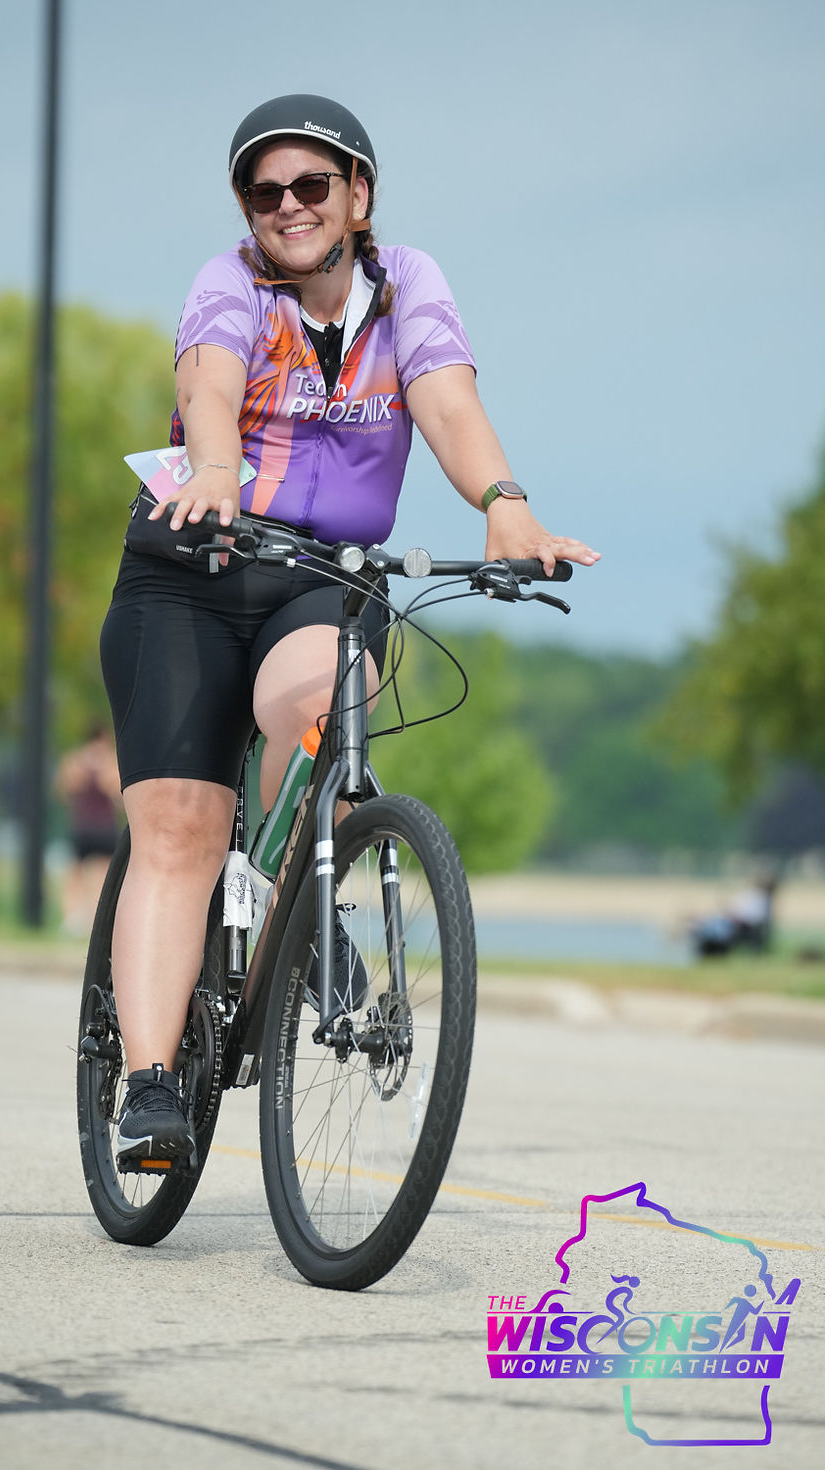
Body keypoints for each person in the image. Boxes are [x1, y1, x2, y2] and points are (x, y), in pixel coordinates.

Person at [99, 94, 600, 1163]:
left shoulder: (406, 285)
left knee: (327, 702)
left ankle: (307, 888)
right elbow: (209, 381)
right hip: (192, 568)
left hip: (320, 575)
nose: (288, 205)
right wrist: (219, 470)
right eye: (264, 191)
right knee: (181, 829)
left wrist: (503, 504)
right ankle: (148, 1086)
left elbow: (446, 403)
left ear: (357, 196)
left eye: (312, 185)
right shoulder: (229, 284)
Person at [54, 724, 123, 935]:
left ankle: (93, 919)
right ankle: (74, 919)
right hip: (88, 825)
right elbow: (65, 789)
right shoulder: (80, 760)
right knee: (78, 873)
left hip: (99, 826)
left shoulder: (105, 761)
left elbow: (116, 793)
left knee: (99, 874)